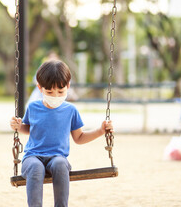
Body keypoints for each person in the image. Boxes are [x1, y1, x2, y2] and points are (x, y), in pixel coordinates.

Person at [10, 60, 114, 207]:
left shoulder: (71, 111)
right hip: (33, 156)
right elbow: (29, 129)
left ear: (68, 86)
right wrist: (18, 126)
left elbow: (79, 137)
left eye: (60, 91)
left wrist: (100, 131)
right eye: (49, 92)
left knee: (60, 164)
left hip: (57, 156)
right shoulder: (33, 107)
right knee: (35, 167)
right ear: (40, 88)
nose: (55, 95)